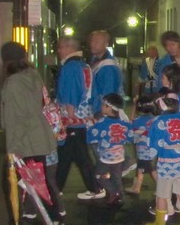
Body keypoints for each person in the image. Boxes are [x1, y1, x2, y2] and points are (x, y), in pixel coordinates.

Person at [0, 42, 62, 225]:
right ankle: (56, 220)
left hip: (25, 142)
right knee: (40, 183)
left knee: (11, 186)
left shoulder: (13, 82)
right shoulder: (33, 75)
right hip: (40, 137)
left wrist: (12, 150)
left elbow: (15, 118)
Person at [54, 37, 103, 200]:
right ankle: (57, 187)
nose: (59, 51)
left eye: (60, 48)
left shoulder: (70, 67)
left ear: (68, 48)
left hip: (73, 119)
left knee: (78, 156)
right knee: (69, 155)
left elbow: (71, 91)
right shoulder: (84, 65)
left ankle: (95, 188)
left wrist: (69, 113)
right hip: (83, 117)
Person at [145, 94, 180, 225]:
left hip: (165, 163)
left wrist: (150, 158)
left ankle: (160, 224)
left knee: (162, 194)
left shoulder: (159, 121)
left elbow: (153, 144)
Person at [86, 93, 133, 206]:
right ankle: (120, 196)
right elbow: (130, 137)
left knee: (98, 175)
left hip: (106, 157)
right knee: (116, 176)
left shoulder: (102, 123)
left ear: (109, 108)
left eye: (103, 105)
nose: (101, 107)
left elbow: (90, 137)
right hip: (119, 156)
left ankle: (113, 192)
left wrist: (90, 125)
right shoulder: (123, 124)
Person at [125, 95, 158, 195]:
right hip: (153, 149)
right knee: (145, 168)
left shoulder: (138, 120)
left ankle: (162, 189)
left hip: (143, 151)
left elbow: (131, 121)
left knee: (148, 169)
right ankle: (136, 187)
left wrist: (134, 105)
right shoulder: (155, 119)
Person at [89, 30, 124, 116]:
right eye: (92, 41)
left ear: (106, 44)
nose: (93, 44)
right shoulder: (95, 61)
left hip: (104, 112)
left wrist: (103, 113)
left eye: (97, 41)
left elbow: (109, 93)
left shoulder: (108, 66)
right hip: (96, 109)